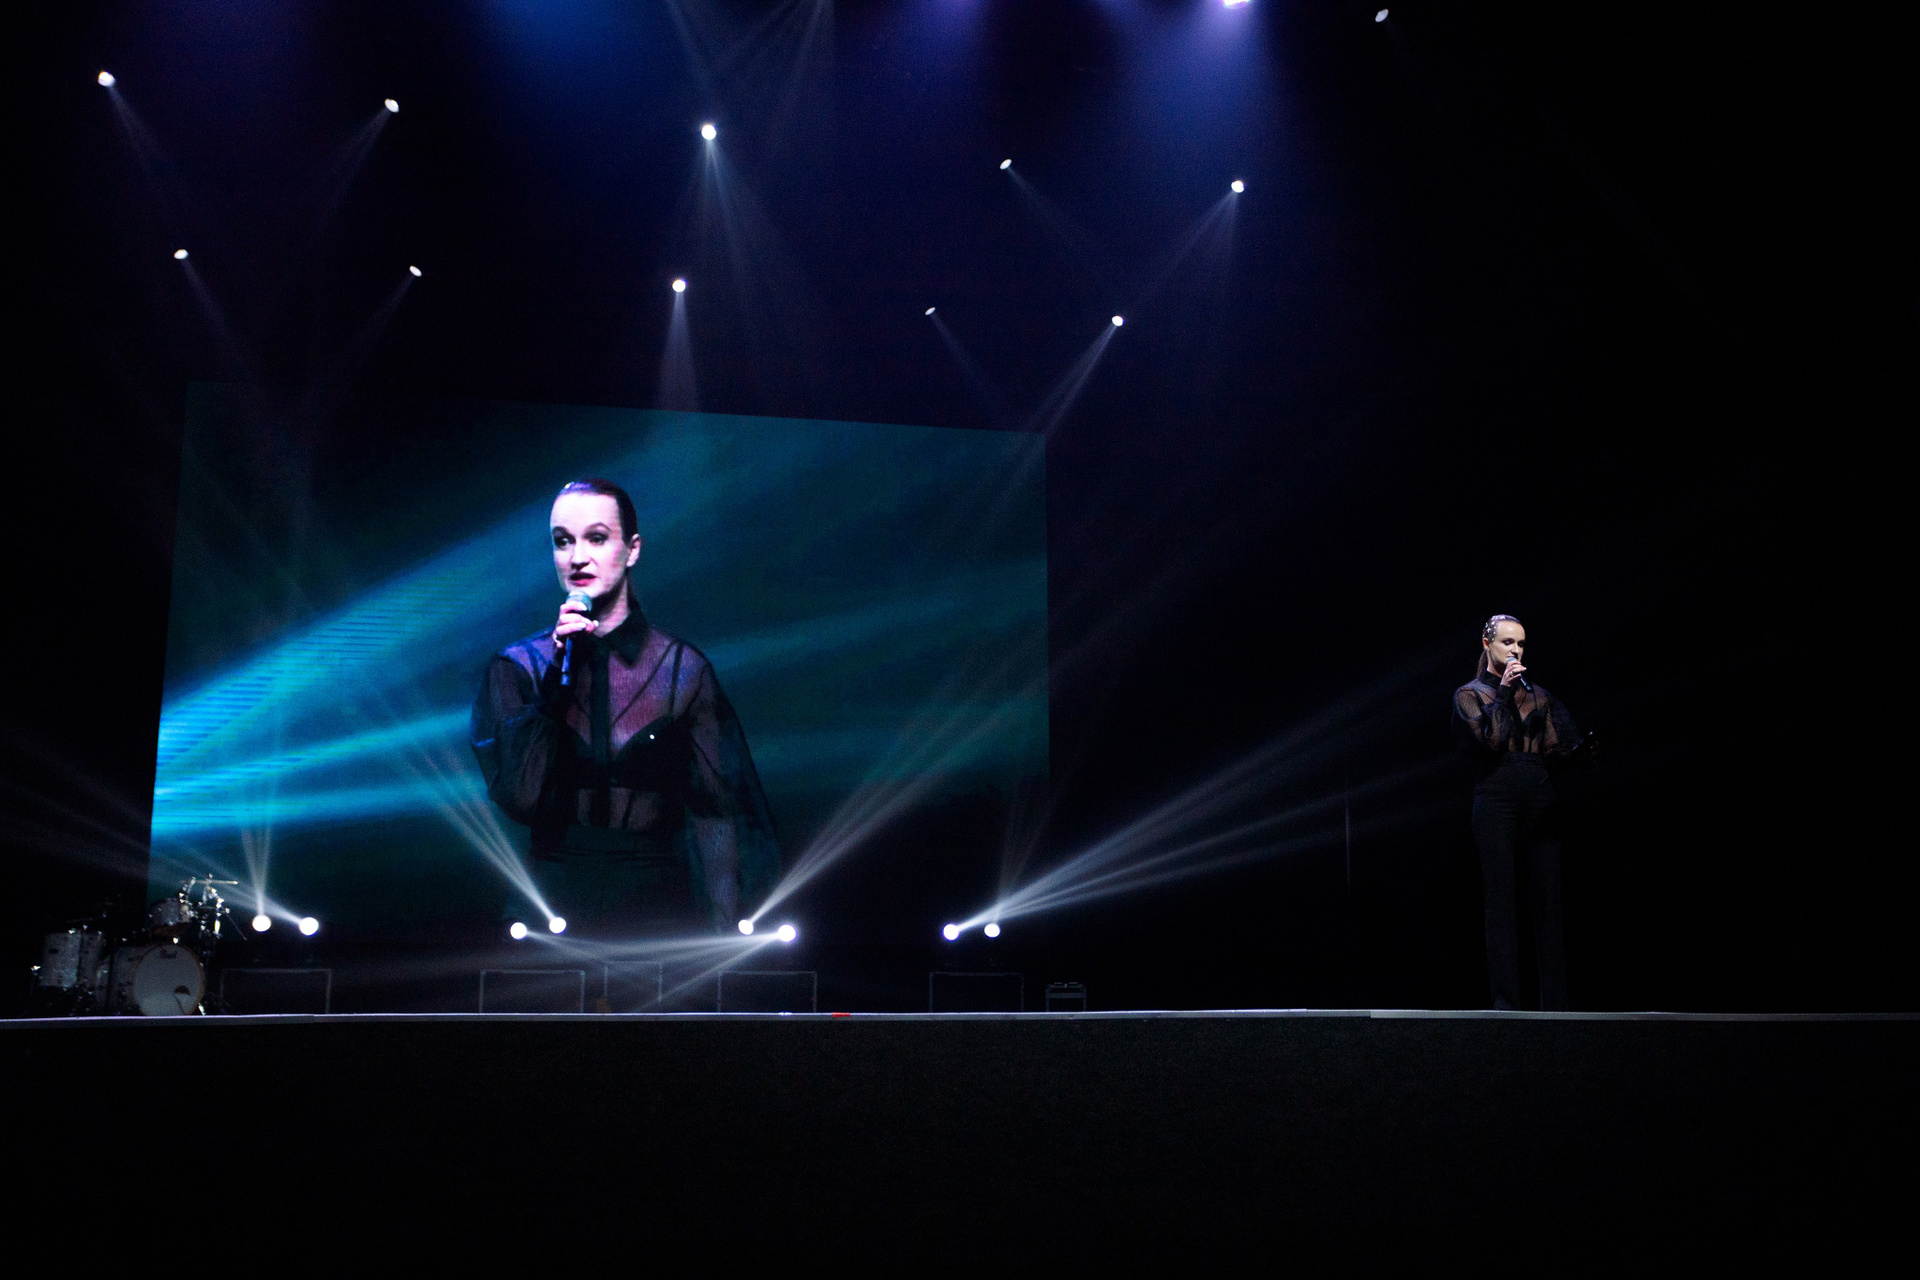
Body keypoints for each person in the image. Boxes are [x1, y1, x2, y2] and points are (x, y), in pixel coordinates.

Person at [470, 478, 780, 937]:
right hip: (549, 910)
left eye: (596, 538)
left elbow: (720, 813)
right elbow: (520, 796)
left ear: (632, 549)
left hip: (658, 913)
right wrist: (558, 677)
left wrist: (726, 938)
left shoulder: (682, 669)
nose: (577, 557)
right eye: (563, 541)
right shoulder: (518, 667)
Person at [1452, 614, 1586, 1011]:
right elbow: (1491, 742)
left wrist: (1580, 754)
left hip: (1539, 795)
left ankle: (1555, 1005)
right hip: (1496, 797)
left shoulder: (1540, 695)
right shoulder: (1471, 694)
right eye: (1508, 642)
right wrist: (1505, 694)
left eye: (1521, 644)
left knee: (1547, 899)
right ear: (1487, 644)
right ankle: (1506, 1003)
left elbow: (1556, 750)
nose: (1515, 650)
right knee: (1501, 901)